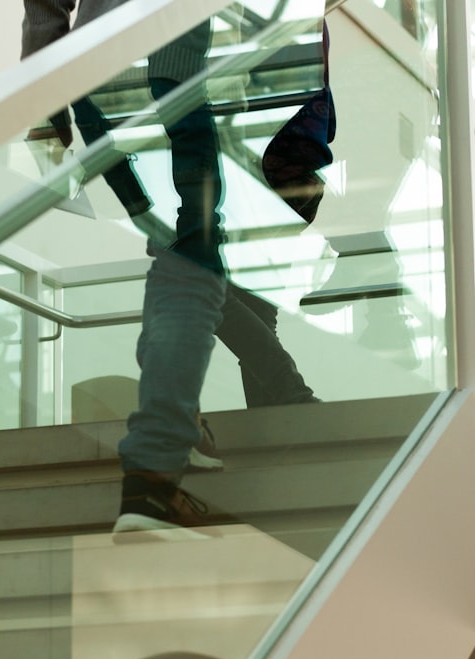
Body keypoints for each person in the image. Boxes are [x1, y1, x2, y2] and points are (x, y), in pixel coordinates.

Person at [21, 0, 324, 536]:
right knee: (192, 259)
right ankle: (154, 469)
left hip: (96, 85)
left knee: (183, 252)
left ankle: (191, 429)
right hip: (178, 74)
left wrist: (48, 101)